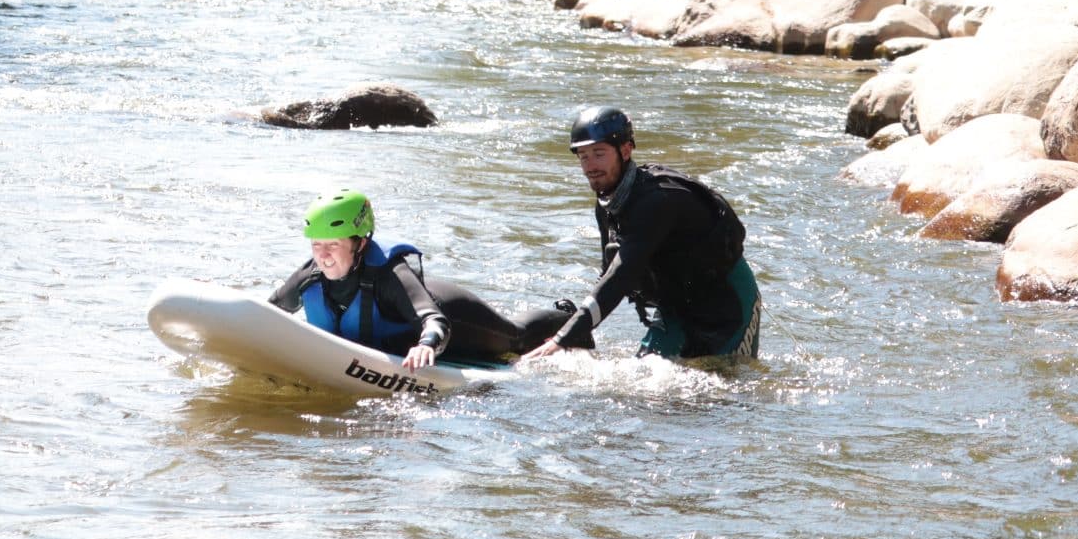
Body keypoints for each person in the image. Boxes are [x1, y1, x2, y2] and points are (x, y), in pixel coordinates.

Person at [522, 106, 760, 362]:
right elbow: (609, 275)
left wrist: (562, 339)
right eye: (583, 157)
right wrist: (576, 327)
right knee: (648, 374)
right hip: (676, 305)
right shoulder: (608, 203)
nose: (590, 166)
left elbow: (621, 277)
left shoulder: (656, 201)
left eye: (599, 154)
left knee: (724, 387)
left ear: (625, 151)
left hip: (728, 303)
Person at [269, 189, 579, 369]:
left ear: (360, 243)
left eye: (333, 244)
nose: (323, 255)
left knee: (516, 339)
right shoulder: (310, 276)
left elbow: (435, 321)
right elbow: (267, 314)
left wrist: (426, 344)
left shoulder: (388, 274)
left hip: (451, 312)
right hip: (402, 333)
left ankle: (568, 316)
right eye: (317, 245)